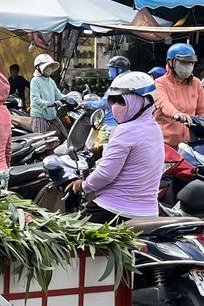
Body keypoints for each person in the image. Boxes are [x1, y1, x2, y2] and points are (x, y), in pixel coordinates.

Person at [69, 72, 164, 223]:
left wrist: (83, 185)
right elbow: (135, 151)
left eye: (122, 100)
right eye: (113, 100)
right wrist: (101, 150)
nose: (115, 106)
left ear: (145, 100)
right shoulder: (153, 128)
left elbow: (106, 174)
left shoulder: (126, 130)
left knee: (69, 239)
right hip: (148, 212)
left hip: (115, 210)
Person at [155, 43, 204, 148]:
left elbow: (201, 111)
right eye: (183, 62)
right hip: (165, 145)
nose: (188, 66)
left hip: (190, 146)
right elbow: (163, 103)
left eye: (191, 63)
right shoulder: (159, 83)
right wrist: (177, 114)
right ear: (171, 62)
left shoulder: (196, 83)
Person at [81, 56, 131, 133]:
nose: (109, 72)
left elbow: (105, 103)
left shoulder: (118, 83)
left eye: (111, 69)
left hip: (112, 125)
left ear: (119, 70)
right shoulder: (129, 80)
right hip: (125, 123)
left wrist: (87, 104)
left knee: (102, 144)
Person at [29, 54, 67, 139]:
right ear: (38, 68)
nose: (49, 69)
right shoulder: (35, 81)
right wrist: (51, 103)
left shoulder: (51, 81)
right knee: (41, 141)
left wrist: (71, 98)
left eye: (50, 66)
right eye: (46, 67)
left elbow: (58, 95)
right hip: (40, 115)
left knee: (64, 135)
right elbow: (36, 100)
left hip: (52, 115)